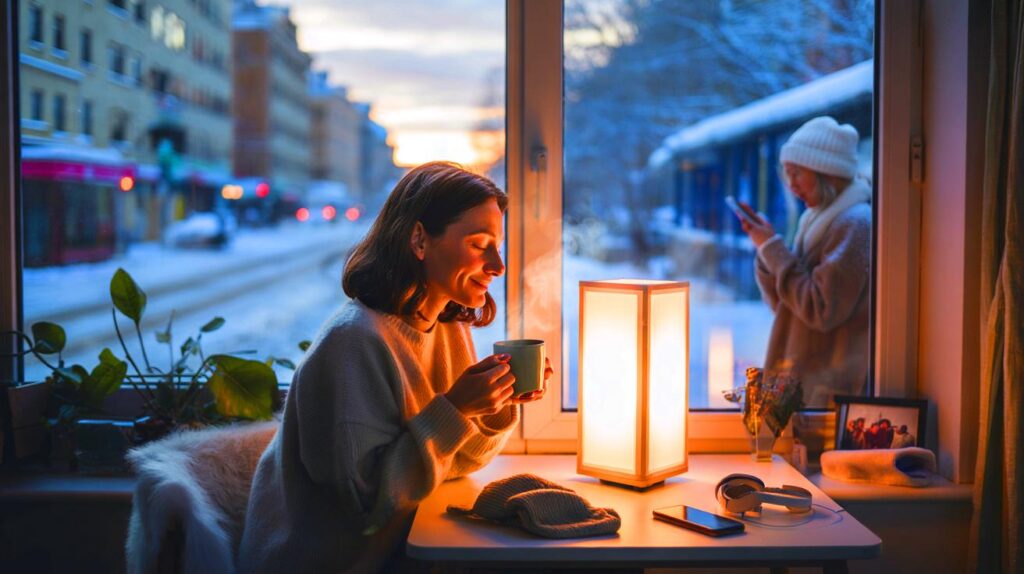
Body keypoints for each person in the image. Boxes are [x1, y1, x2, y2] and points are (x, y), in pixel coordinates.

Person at [238, 162, 551, 573]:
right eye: (479, 245)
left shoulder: (448, 326)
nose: (498, 265)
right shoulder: (353, 343)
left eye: (498, 246)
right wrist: (456, 409)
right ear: (419, 240)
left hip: (395, 551)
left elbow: (453, 464)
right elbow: (368, 504)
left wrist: (493, 404)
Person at [735, 116, 872, 407]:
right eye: (787, 175)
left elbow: (820, 309)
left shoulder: (854, 223)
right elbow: (786, 304)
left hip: (826, 389)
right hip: (806, 382)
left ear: (826, 171)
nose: (791, 185)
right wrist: (766, 249)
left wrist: (772, 248)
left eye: (796, 173)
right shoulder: (817, 219)